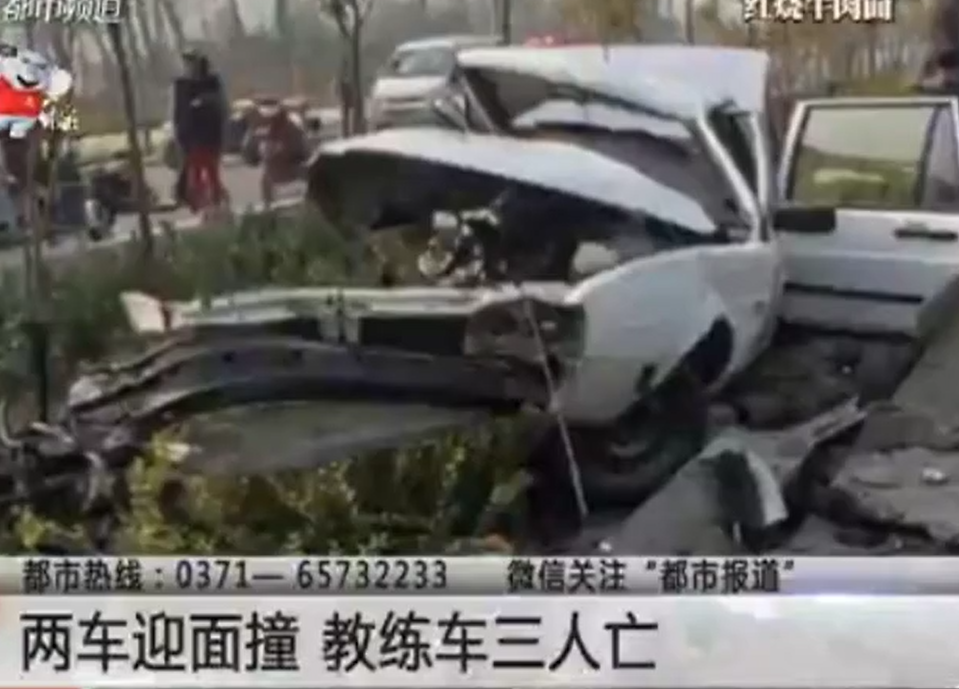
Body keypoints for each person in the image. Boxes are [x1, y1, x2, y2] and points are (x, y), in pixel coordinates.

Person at [172, 50, 228, 215]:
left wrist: (203, 103)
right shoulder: (181, 84)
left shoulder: (211, 81)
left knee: (210, 171)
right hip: (190, 134)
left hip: (209, 132)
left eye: (191, 62)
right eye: (187, 63)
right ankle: (200, 205)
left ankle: (214, 204)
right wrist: (178, 131)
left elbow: (220, 105)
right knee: (195, 172)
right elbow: (178, 110)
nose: (188, 66)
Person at [259, 101, 306, 209]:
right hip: (294, 177)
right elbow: (303, 151)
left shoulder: (261, 130)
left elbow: (250, 154)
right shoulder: (292, 127)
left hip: (279, 179)